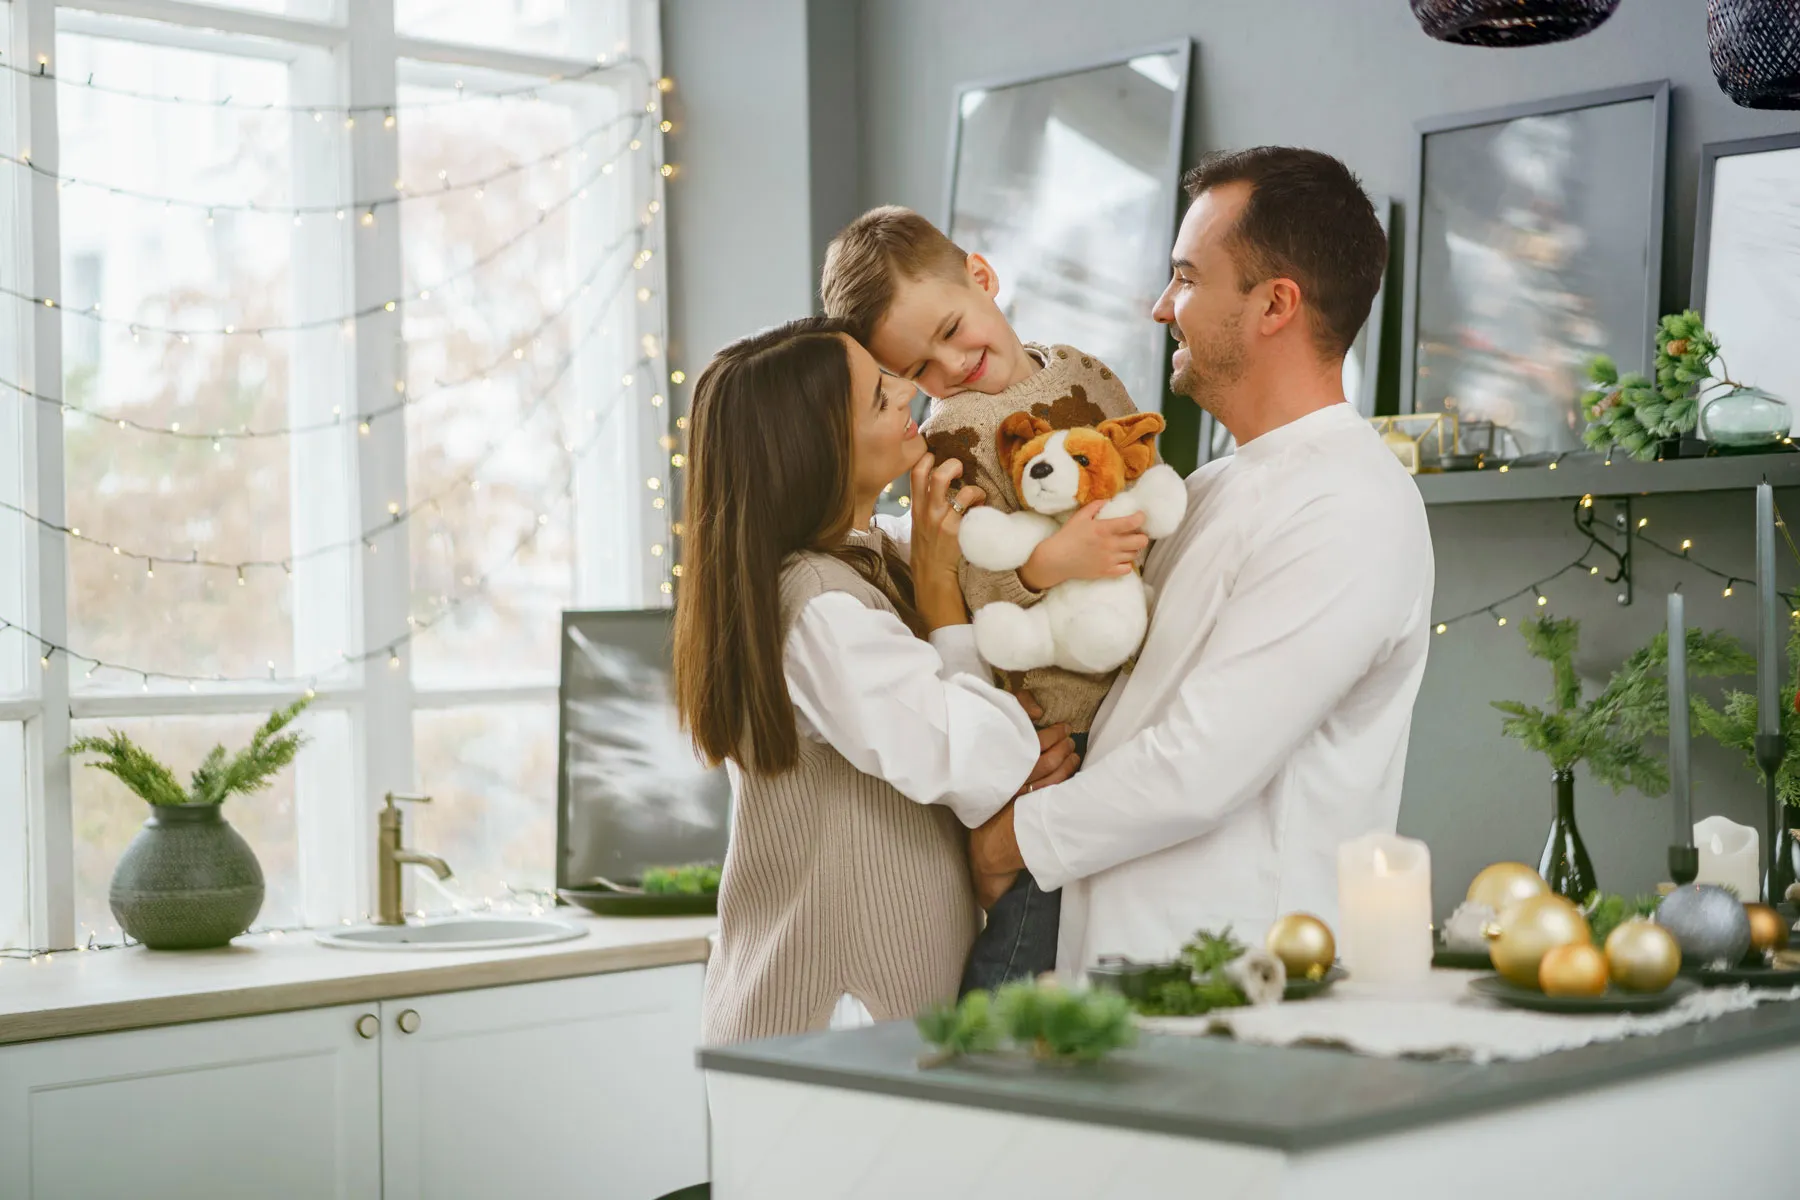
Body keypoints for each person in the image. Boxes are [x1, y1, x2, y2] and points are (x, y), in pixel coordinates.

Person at [970, 147, 1437, 974]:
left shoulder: (1350, 504)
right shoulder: (1210, 487)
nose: (1161, 307)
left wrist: (1009, 841)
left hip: (1232, 982)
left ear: (1275, 304)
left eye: (1186, 278)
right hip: (1116, 966)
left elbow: (1200, 766)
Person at [673, 317, 1074, 1046]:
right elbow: (990, 762)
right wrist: (941, 600)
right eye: (880, 397)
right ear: (819, 450)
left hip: (866, 1019)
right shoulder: (822, 609)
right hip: (832, 1019)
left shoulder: (872, 558)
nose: (907, 392)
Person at [821, 206, 1150, 992]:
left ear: (981, 276)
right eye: (918, 369)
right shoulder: (949, 445)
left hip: (1132, 687)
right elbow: (969, 578)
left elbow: (1136, 453)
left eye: (951, 330)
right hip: (1049, 716)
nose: (951, 366)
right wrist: (1045, 566)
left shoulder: (1082, 370)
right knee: (1033, 926)